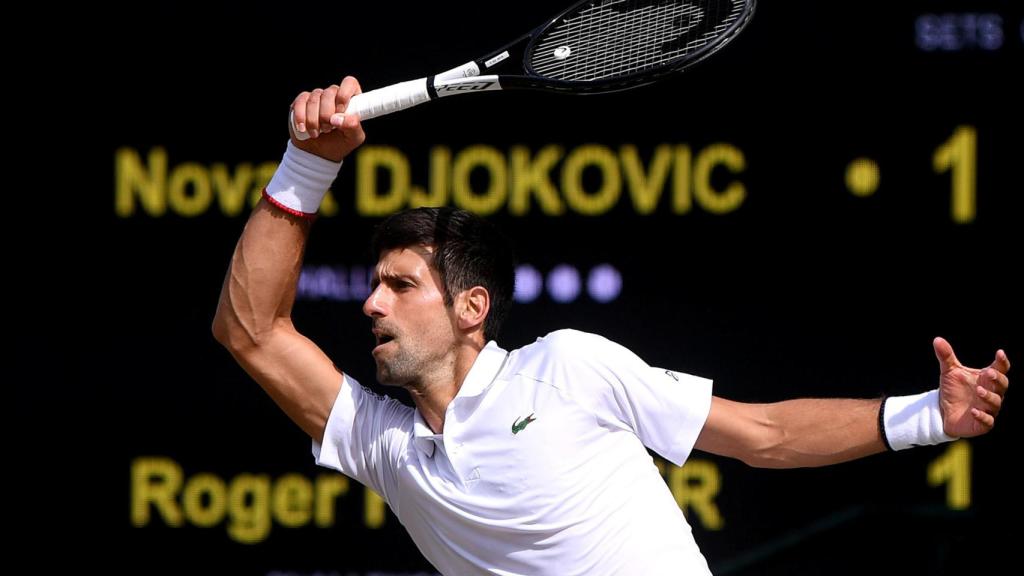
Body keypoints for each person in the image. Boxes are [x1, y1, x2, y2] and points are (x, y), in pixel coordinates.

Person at [212, 76, 1011, 575]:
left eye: (399, 285)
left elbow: (761, 434)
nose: (371, 305)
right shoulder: (388, 448)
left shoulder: (567, 367)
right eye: (372, 285)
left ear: (471, 309)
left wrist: (926, 419)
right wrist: (305, 163)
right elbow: (251, 330)